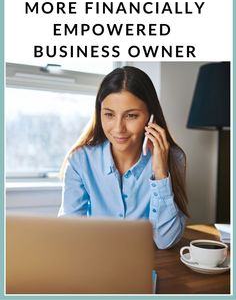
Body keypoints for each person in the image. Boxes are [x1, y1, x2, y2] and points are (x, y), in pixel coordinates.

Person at [58, 66, 188, 249]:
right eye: (109, 114)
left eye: (131, 115)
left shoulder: (174, 158)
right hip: (96, 261)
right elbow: (69, 233)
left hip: (149, 265)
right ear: (99, 113)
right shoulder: (80, 160)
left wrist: (160, 173)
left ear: (151, 117)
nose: (119, 128)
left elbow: (165, 241)